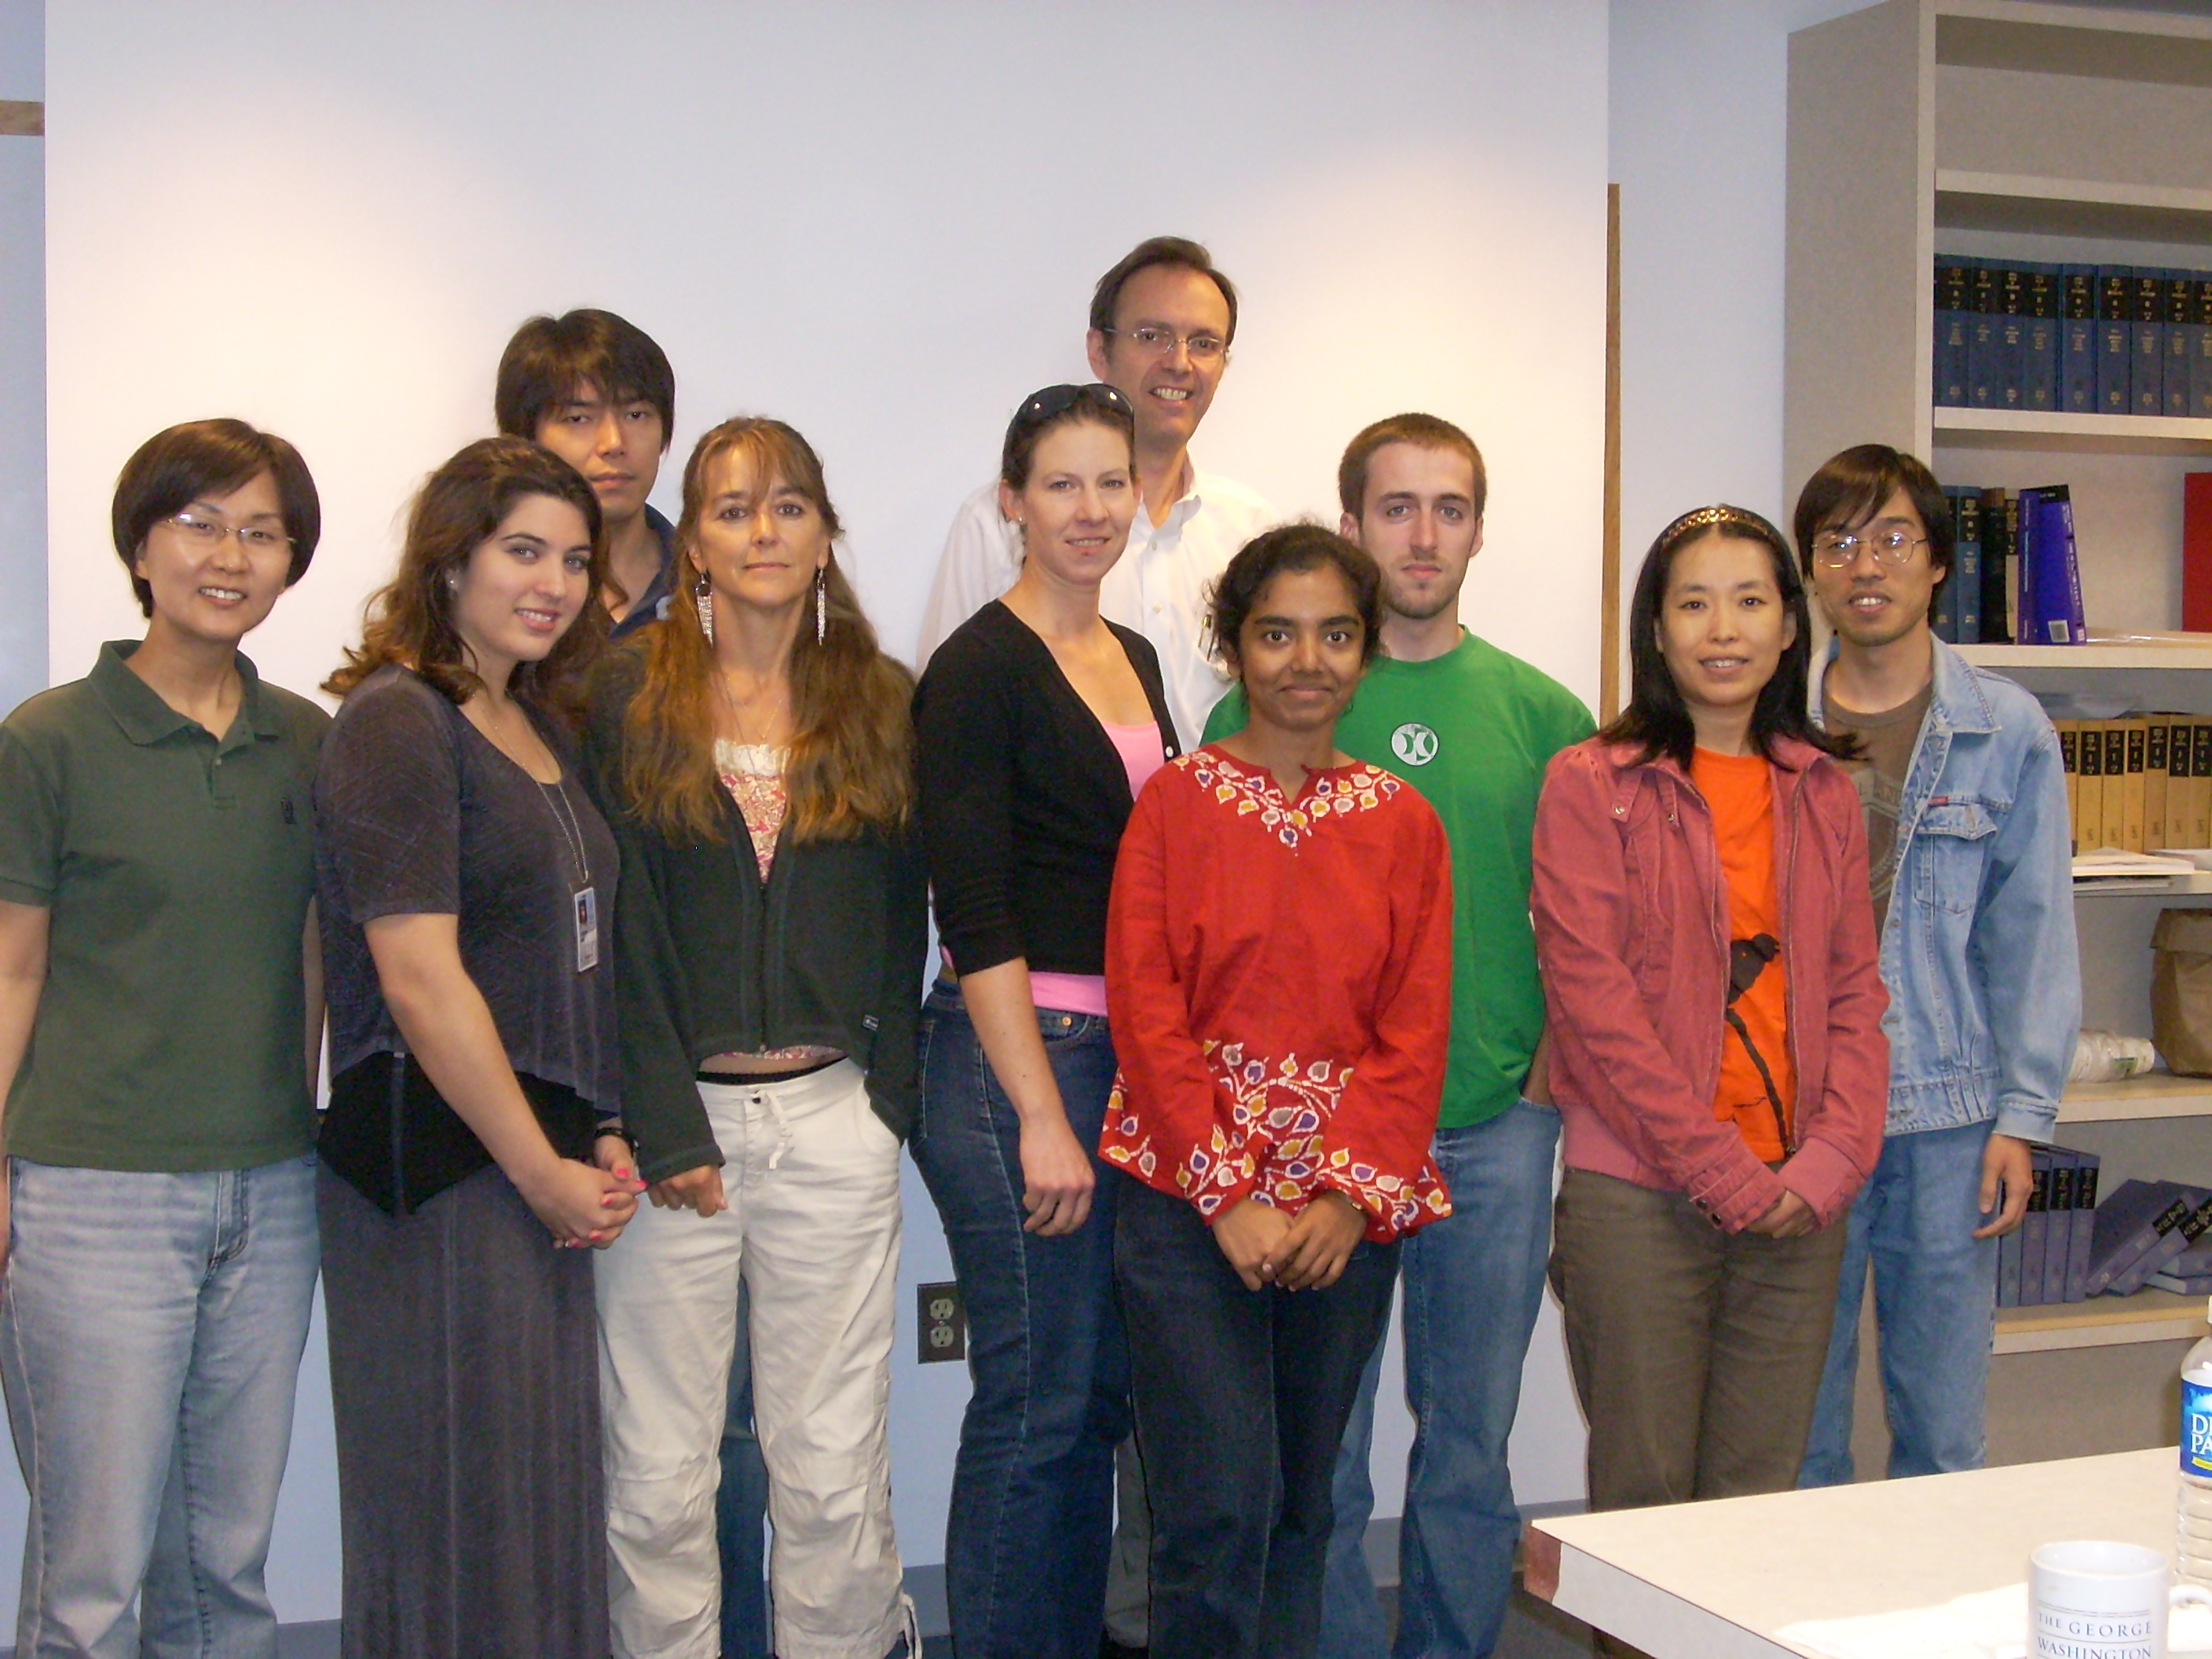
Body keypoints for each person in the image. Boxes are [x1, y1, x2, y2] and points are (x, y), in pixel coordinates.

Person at [1205, 416, 1593, 1657]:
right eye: (1396, 508)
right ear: (1352, 520)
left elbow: (1588, 915)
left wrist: (1551, 1056)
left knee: (1469, 1443)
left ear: (1480, 528)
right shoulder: (1270, 702)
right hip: (1323, 1148)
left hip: (1490, 1130)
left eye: (1450, 509)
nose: (1423, 536)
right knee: (1324, 1451)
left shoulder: (1543, 711)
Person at [586, 416, 925, 1659]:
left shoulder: (879, 698)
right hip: (678, 1129)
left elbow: (907, 908)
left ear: (826, 535)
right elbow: (611, 932)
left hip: (835, 1127)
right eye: (731, 509)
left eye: (789, 506)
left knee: (833, 1464)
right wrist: (659, 1118)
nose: (764, 531)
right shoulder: (623, 697)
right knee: (662, 1469)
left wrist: (889, 1093)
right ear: (695, 549)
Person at [0, 419, 327, 1659]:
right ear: (142, 544)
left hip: (272, 1186)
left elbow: (309, 957)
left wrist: (294, 1127)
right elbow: (11, 965)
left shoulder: (307, 738)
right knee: (90, 1578)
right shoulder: (49, 740)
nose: (230, 555)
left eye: (263, 531)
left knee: (226, 1561)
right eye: (200, 523)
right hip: (92, 1193)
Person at [314, 436, 642, 1655]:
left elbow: (570, 960)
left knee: (540, 1512)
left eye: (572, 558)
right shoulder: (400, 719)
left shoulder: (540, 727)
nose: (552, 581)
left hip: (535, 1164)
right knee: (458, 1517)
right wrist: (538, 1165)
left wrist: (597, 1128)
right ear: (450, 559)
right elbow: (418, 975)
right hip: (444, 1174)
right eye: (522, 551)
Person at [1104, 523, 1453, 1659]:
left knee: (1306, 1508)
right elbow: (1146, 1010)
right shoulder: (1175, 804)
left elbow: (1414, 1027)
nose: (1308, 660)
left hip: (1342, 1214)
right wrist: (1227, 1195)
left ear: (1367, 654)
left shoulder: (1405, 824)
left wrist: (1348, 1198)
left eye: (1336, 634)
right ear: (1235, 647)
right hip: (1185, 1202)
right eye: (1278, 633)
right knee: (1214, 1513)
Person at [1532, 504, 1888, 1528]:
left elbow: (1858, 992)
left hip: (1795, 1197)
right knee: (1646, 1512)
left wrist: (1825, 1166)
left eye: (1749, 601)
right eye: (1694, 603)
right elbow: (1594, 1007)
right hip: (1642, 1201)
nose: (1722, 628)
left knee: (1755, 1517)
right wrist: (1721, 1170)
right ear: (1656, 628)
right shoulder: (1591, 785)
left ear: (1789, 626)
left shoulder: (1823, 789)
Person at [912, 383, 1177, 1659]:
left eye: (1110, 482)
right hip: (1022, 1067)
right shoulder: (974, 671)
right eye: (1060, 485)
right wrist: (1037, 1119)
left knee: (1099, 1395)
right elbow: (977, 913)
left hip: (1124, 1065)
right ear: (1010, 502)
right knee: (1038, 1400)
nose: (1089, 511)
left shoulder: (1134, 654)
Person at [1794, 445, 2078, 1486]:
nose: (1865, 564)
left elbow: (2034, 931)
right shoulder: (1775, 724)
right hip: (1798, 1118)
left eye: (1893, 539)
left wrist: (2021, 1118)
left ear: (1939, 566)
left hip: (1951, 1120)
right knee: (1799, 1435)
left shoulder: (2003, 728)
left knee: (1944, 1434)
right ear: (1813, 573)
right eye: (1838, 543)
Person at [916, 236, 1274, 750]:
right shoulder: (997, 522)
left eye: (1204, 343)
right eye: (1152, 335)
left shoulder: (1250, 531)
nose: (1179, 363)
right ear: (1098, 351)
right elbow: (945, 729)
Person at [498, 307, 683, 641]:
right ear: (525, 439)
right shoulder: (494, 589)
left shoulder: (710, 584)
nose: (613, 443)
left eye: (636, 414)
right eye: (578, 419)